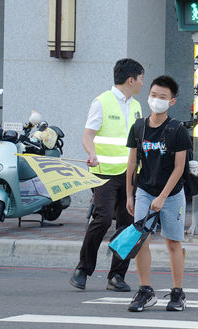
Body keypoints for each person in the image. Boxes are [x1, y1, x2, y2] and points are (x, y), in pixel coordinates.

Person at [69, 58, 144, 292]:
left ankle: (116, 275)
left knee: (128, 224)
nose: (143, 83)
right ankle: (83, 269)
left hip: (131, 174)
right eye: (141, 78)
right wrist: (91, 153)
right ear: (130, 79)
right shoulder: (101, 102)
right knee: (102, 218)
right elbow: (87, 135)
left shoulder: (137, 106)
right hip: (104, 173)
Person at [124, 75, 192, 312]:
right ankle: (145, 290)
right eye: (153, 95)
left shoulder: (177, 130)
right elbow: (132, 164)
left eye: (162, 97)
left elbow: (179, 167)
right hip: (144, 190)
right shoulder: (139, 127)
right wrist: (129, 195)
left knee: (173, 242)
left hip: (172, 194)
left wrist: (163, 196)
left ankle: (177, 292)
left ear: (172, 101)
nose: (156, 100)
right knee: (140, 240)